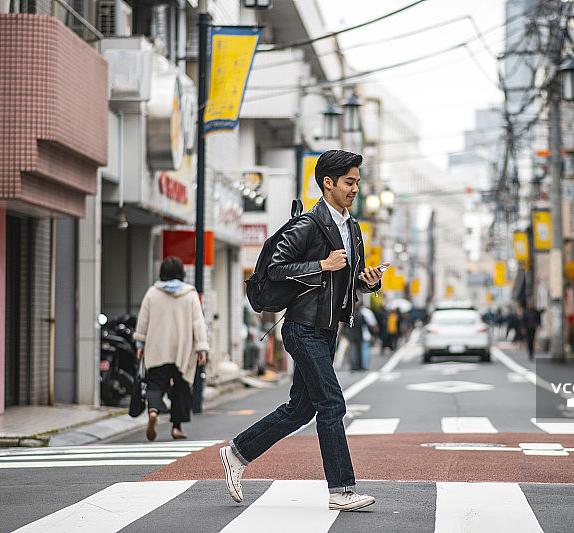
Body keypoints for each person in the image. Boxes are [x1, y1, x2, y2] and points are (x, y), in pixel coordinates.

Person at [220, 150, 387, 511]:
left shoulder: (353, 228)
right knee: (331, 402)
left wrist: (368, 282)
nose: (355, 189)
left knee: (300, 409)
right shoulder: (308, 225)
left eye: (357, 182)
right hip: (301, 328)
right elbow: (276, 268)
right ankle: (341, 489)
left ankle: (237, 453)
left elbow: (348, 282)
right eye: (349, 182)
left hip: (327, 331)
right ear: (328, 183)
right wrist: (322, 265)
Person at [134, 256, 209, 441]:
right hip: (182, 349)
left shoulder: (152, 292)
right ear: (181, 272)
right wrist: (201, 347)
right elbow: (198, 322)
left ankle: (153, 411)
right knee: (181, 386)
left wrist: (140, 343)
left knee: (156, 383)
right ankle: (177, 427)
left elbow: (143, 320)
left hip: (157, 347)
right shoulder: (190, 294)